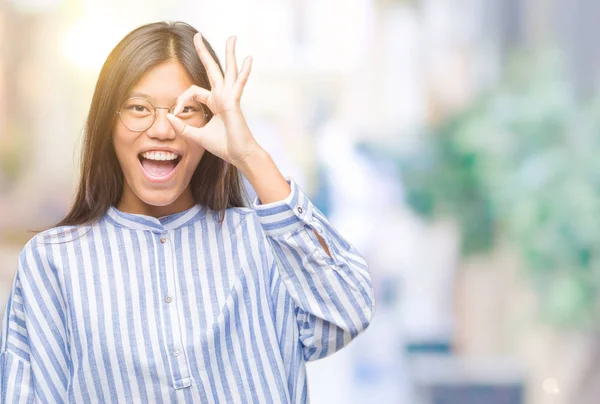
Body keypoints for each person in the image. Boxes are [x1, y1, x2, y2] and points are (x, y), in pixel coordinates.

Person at [0, 21, 375, 403]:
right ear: (107, 124)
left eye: (187, 109)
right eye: (138, 107)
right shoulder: (53, 261)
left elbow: (346, 312)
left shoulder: (267, 243)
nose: (163, 128)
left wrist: (250, 156)